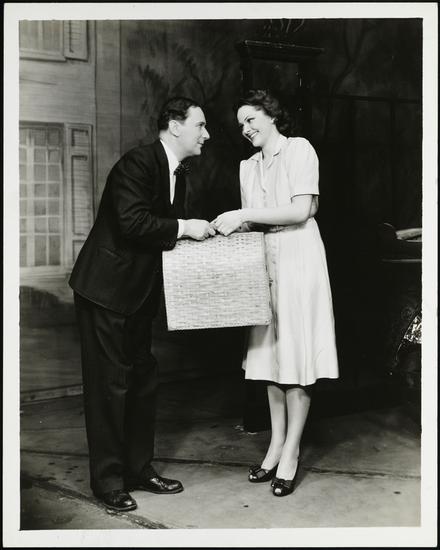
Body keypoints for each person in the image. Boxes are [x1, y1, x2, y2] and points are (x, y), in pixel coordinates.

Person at [69, 97, 215, 512]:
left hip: (136, 294)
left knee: (141, 381)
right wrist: (186, 227)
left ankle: (139, 469)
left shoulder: (177, 173)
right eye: (200, 125)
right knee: (109, 386)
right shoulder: (137, 163)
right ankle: (108, 482)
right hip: (105, 291)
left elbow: (159, 234)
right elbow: (133, 223)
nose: (206, 135)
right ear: (175, 126)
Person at [213, 90, 339, 497]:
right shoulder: (247, 167)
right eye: (241, 125)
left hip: (299, 257)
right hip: (264, 261)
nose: (245, 129)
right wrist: (222, 227)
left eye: (251, 119)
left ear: (271, 115)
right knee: (270, 358)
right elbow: (255, 222)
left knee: (296, 358)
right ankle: (275, 444)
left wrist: (245, 214)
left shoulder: (299, 149)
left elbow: (301, 210)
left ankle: (292, 451)